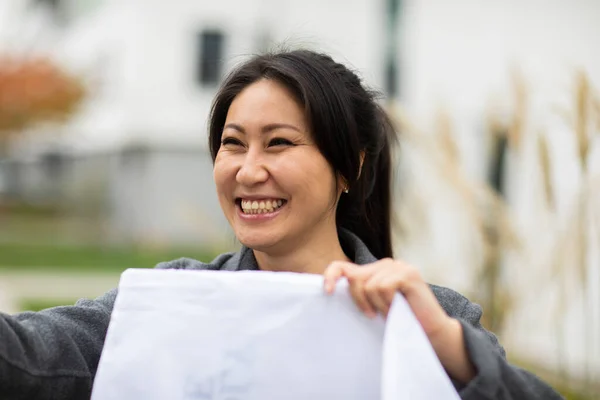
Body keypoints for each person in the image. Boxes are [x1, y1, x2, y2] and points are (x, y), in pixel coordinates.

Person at [0, 49, 563, 400]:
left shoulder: (429, 316)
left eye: (280, 144)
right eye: (232, 144)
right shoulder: (176, 301)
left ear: (350, 166)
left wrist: (444, 344)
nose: (249, 170)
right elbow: (29, 357)